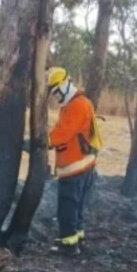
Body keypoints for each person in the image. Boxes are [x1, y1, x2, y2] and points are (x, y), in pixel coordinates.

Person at [45, 67, 98, 256]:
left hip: (75, 167)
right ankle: (78, 238)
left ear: (66, 84)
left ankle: (68, 245)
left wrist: (42, 141)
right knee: (77, 207)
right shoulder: (77, 103)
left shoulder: (77, 105)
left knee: (67, 207)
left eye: (57, 93)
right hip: (83, 165)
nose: (56, 97)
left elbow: (63, 132)